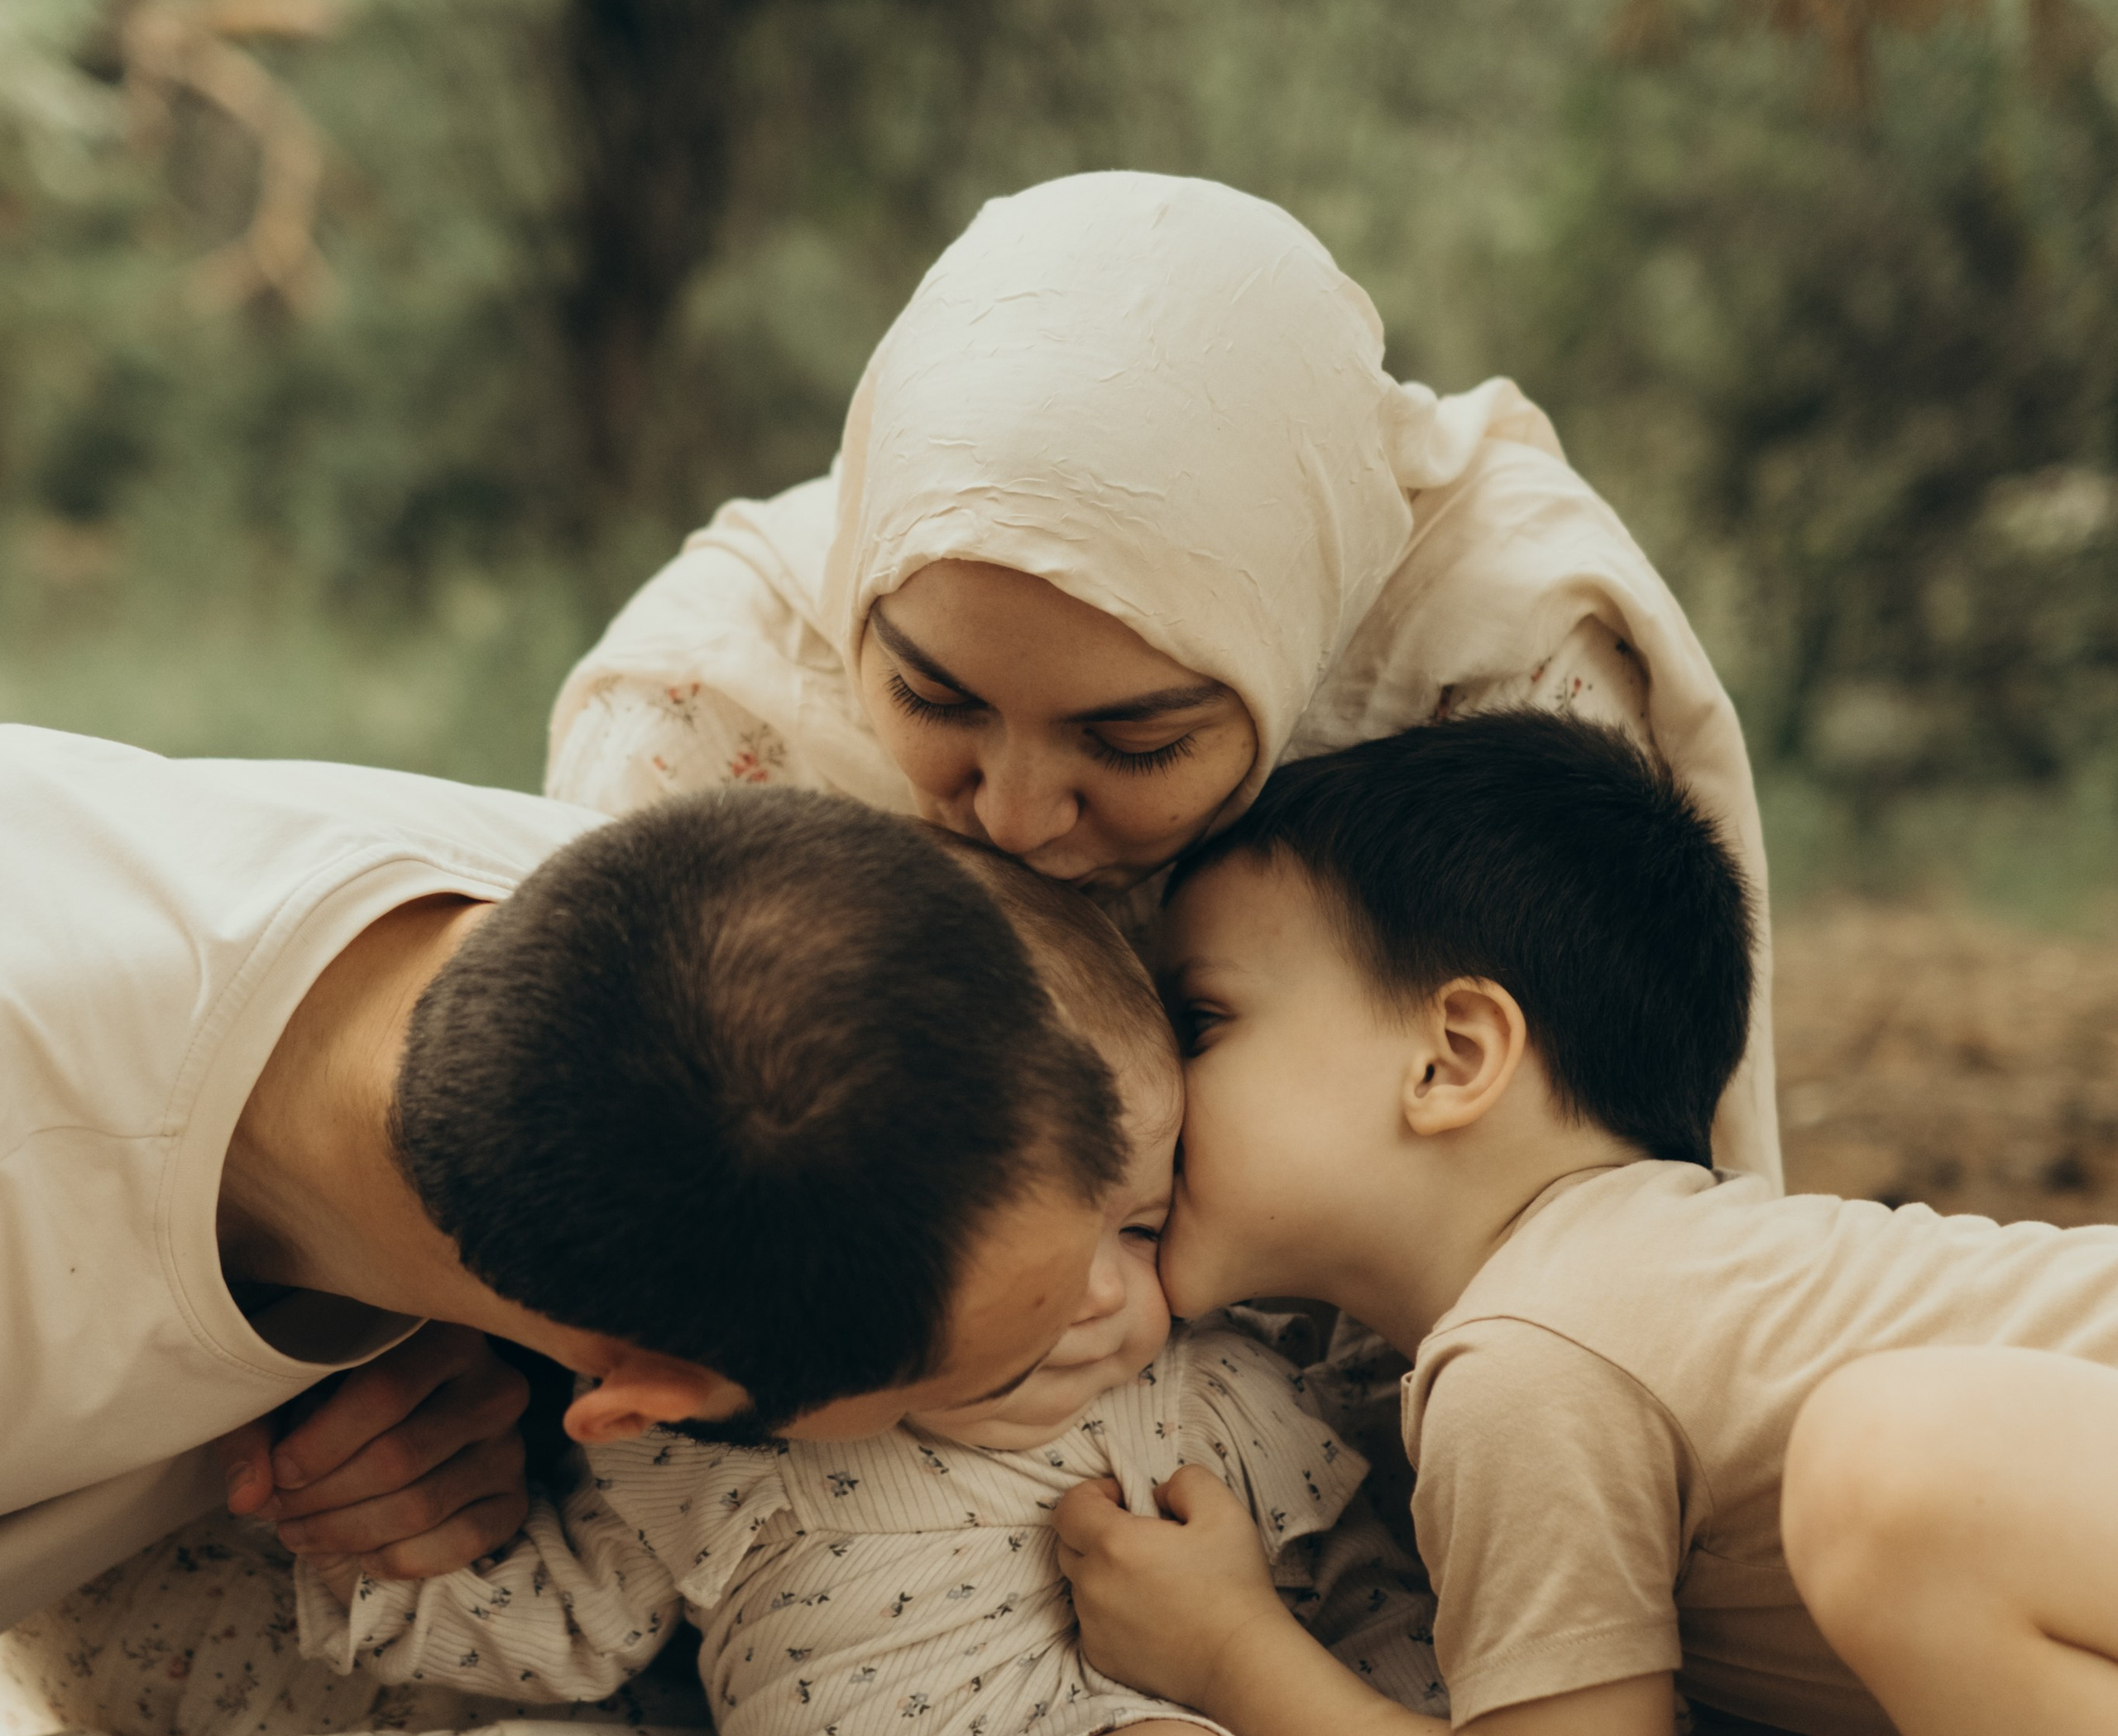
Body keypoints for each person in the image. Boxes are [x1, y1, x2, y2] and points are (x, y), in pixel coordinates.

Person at [0, 736, 1120, 1736]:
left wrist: (500, 1373)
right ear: (646, 1407)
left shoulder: (686, 951)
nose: (1122, 1315)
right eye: (998, 1384)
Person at [291, 861, 1473, 1736]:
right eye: (1026, 1241)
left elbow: (1380, 1614)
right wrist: (366, 1554)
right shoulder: (733, 1435)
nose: (1092, 1293)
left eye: (1139, 1225)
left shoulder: (1217, 1399)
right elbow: (574, 1614)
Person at [1057, 712, 2118, 1736]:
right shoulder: (1671, 1318)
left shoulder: (1533, 1353)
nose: (1142, 1090)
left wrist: (1228, 1648)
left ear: (1452, 1056)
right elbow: (1792, 1693)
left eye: (1199, 1021)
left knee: (1888, 1473)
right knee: (1860, 1496)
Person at [549, 169, 1781, 1184]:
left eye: (1134, 744)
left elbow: (1565, 1233)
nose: (1016, 816)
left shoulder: (1496, 680)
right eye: (932, 699)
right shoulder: (703, 712)